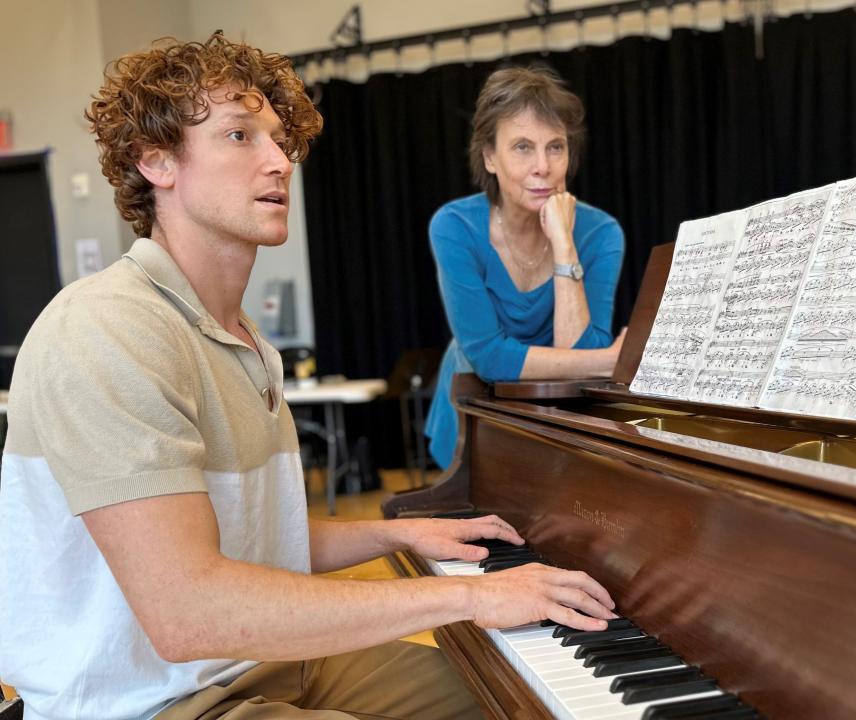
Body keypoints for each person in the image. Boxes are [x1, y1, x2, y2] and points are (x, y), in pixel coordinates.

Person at [0, 34, 618, 720]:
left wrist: (395, 534)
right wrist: (472, 595)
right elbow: (187, 613)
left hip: (264, 665)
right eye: (240, 136)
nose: (281, 160)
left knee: (522, 704)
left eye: (278, 137)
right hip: (150, 702)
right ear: (156, 161)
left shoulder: (246, 342)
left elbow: (257, 538)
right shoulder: (108, 329)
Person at [425, 66, 626, 469]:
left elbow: (577, 360)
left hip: (561, 420)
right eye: (522, 147)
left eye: (555, 147)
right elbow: (489, 359)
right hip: (473, 414)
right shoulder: (454, 227)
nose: (543, 167)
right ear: (490, 157)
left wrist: (564, 245)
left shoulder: (601, 233)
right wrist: (608, 361)